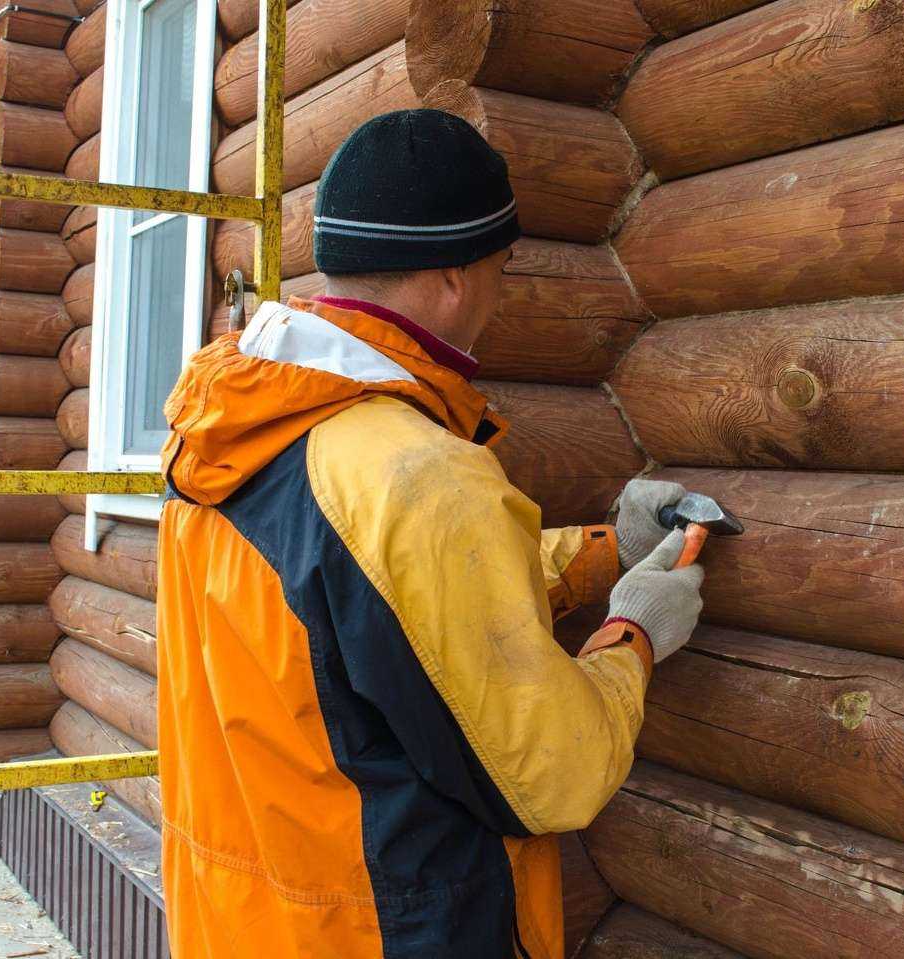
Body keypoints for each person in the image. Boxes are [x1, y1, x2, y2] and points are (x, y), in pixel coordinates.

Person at [156, 109, 705, 958]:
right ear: (454, 275)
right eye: (500, 266)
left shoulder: (233, 425)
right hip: (386, 931)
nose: (500, 290)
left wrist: (608, 553)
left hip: (244, 922)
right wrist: (633, 635)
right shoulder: (418, 474)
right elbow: (553, 771)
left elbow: (362, 616)